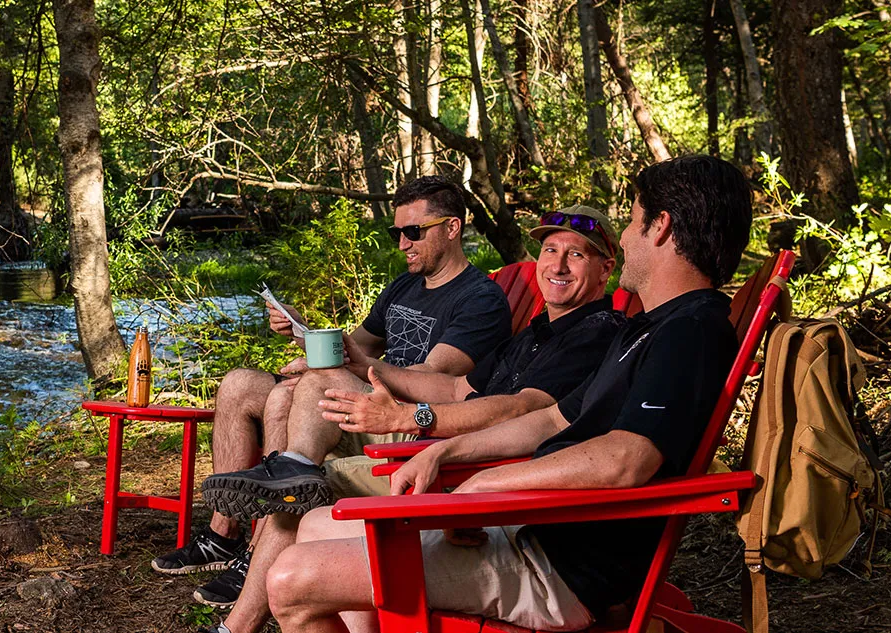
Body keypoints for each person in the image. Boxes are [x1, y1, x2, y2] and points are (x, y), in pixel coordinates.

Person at [261, 154, 758, 633]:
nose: (627, 238)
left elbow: (627, 459)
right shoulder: (648, 328)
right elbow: (552, 420)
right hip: (530, 526)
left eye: (631, 223)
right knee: (317, 527)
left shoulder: (690, 331)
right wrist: (445, 451)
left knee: (290, 580)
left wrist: (484, 487)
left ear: (662, 227)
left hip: (559, 561)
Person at [190, 206, 631, 632]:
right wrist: (364, 367)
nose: (558, 264)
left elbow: (525, 410)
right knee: (301, 474)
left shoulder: (592, 332)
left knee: (304, 481)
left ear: (605, 269)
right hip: (443, 445)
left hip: (472, 467)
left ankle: (244, 606)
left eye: (576, 254)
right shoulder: (537, 332)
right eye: (550, 250)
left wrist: (410, 416)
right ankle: (290, 477)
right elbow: (458, 388)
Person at [151, 177, 512, 607]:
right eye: (396, 233)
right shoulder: (404, 287)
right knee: (239, 385)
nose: (402, 244)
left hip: (404, 416)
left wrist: (339, 367)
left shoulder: (480, 300)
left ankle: (257, 553)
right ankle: (221, 536)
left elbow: (433, 377)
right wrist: (304, 332)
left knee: (292, 392)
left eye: (413, 232)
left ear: (452, 228)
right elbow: (357, 346)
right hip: (355, 391)